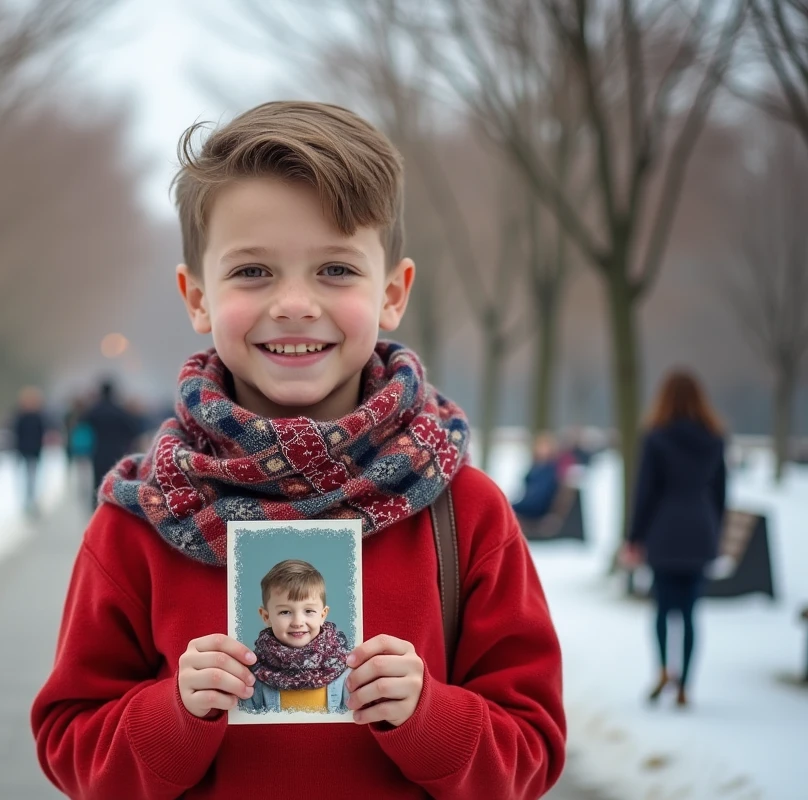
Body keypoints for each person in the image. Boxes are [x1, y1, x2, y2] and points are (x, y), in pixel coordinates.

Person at [31, 101, 564, 798]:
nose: (293, 303)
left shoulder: (463, 511)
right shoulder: (143, 517)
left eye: (336, 271)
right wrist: (174, 713)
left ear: (392, 293)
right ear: (196, 297)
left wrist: (430, 714)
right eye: (252, 271)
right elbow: (71, 746)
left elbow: (532, 753)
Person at [621, 370, 727, 709]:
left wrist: (634, 536)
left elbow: (645, 493)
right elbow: (722, 493)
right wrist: (716, 531)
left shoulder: (657, 437)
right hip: (700, 531)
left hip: (664, 532)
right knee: (691, 611)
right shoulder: (714, 438)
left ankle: (664, 669)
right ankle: (686, 685)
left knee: (663, 609)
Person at [237, 560, 352, 715]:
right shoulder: (252, 676)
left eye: (309, 611)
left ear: (323, 615)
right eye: (285, 612)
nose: (298, 622)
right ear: (266, 616)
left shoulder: (345, 668)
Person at [80, 379, 141, 510]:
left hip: (98, 451)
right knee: (114, 481)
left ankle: (96, 508)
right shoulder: (119, 410)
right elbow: (134, 430)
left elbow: (82, 422)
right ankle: (112, 508)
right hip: (117, 452)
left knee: (97, 481)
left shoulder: (95, 410)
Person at [11, 386, 49, 517]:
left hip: (32, 451)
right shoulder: (26, 417)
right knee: (30, 478)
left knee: (32, 478)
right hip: (27, 451)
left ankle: (31, 501)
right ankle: (30, 501)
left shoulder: (31, 417)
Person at [512, 432, 563, 521]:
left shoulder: (550, 470)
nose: (540, 449)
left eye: (544, 447)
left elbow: (541, 495)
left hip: (537, 507)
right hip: (529, 503)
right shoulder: (536, 466)